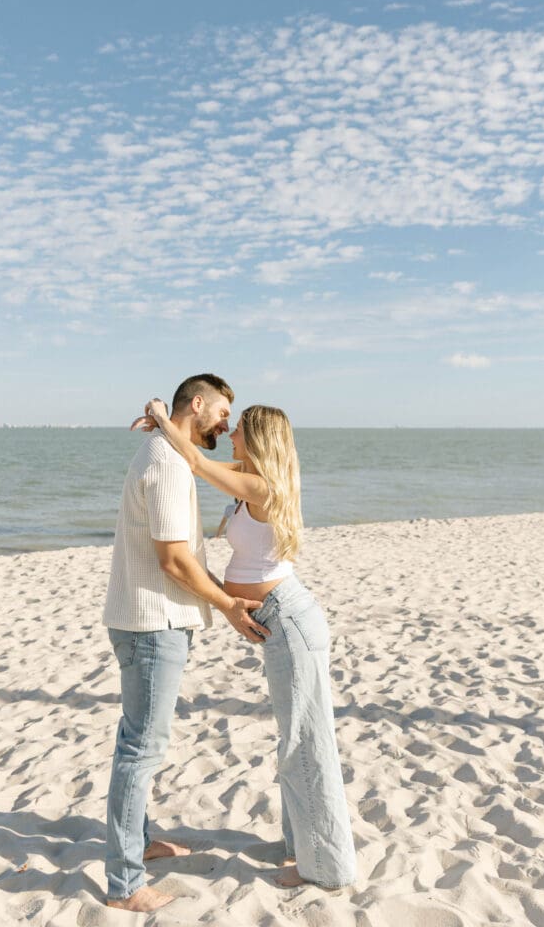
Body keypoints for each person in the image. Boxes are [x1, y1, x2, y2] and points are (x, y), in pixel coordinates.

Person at [143, 397, 357, 891]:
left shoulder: (261, 485)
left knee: (305, 743)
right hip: (281, 622)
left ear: (257, 439)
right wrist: (166, 430)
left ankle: (326, 868)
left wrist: (160, 413)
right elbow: (194, 450)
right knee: (295, 739)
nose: (230, 433)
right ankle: (300, 850)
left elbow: (194, 461)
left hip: (290, 620)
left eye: (238, 429)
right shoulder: (250, 475)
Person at [103, 374, 269, 913]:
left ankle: (142, 841)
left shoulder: (165, 449)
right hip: (154, 624)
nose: (227, 422)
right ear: (196, 405)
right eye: (222, 410)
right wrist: (227, 606)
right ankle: (126, 884)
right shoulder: (167, 463)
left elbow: (247, 473)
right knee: (141, 748)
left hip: (148, 618)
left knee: (140, 741)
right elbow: (174, 561)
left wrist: (158, 415)